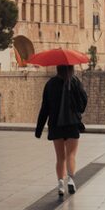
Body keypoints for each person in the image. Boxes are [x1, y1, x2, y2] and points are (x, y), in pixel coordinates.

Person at [35, 65, 88, 197]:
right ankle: (70, 179)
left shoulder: (50, 84)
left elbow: (44, 108)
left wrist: (39, 129)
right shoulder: (75, 82)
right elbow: (83, 103)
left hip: (55, 125)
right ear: (71, 69)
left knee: (60, 157)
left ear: (57, 69)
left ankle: (60, 184)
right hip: (72, 124)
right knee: (71, 155)